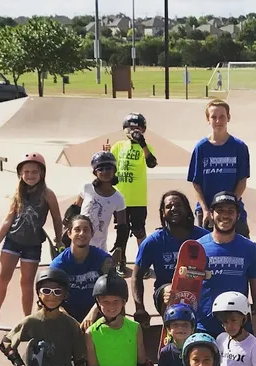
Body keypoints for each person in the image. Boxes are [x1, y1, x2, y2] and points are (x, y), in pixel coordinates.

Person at [0, 152, 63, 326]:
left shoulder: (48, 194)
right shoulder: (18, 193)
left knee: (26, 282)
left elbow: (56, 217)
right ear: (20, 174)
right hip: (12, 241)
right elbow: (8, 219)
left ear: (42, 174)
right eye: (26, 172)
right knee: (2, 277)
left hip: (32, 245)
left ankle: (27, 319)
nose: (30, 176)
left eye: (34, 172)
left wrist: (59, 239)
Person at [0, 268, 87, 366]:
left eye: (57, 292)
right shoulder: (31, 322)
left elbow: (80, 360)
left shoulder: (71, 324)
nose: (51, 296)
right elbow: (6, 342)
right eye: (46, 290)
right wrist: (18, 365)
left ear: (65, 295)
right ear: (38, 293)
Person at [197, 192, 256, 351]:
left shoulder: (250, 248)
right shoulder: (198, 248)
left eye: (230, 211)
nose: (225, 215)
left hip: (239, 329)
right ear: (211, 214)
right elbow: (185, 287)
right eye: (220, 210)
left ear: (238, 215)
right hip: (204, 328)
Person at [132, 190, 206, 327]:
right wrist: (140, 308)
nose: (174, 209)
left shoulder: (203, 238)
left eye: (178, 205)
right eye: (168, 206)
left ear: (186, 208)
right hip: (166, 293)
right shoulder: (153, 242)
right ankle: (173, 333)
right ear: (162, 212)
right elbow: (136, 276)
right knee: (172, 290)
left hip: (199, 289)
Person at [188, 100, 250, 237]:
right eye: (213, 117)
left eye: (222, 116)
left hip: (232, 210)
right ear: (208, 119)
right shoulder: (201, 148)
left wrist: (230, 207)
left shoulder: (239, 147)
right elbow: (196, 182)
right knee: (206, 252)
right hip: (208, 211)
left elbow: (242, 181)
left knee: (242, 249)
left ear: (228, 117)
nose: (218, 121)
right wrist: (205, 209)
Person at [110, 113, 158, 276]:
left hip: (138, 198)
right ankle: (120, 261)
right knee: (121, 231)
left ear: (143, 130)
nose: (133, 131)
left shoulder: (147, 147)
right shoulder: (118, 146)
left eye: (137, 128)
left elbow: (151, 163)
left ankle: (143, 262)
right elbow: (111, 168)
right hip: (120, 198)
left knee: (139, 231)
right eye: (130, 128)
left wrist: (142, 143)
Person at [51, 214, 114, 330]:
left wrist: (94, 311)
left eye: (86, 230)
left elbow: (112, 290)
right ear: (69, 233)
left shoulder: (103, 260)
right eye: (77, 229)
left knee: (117, 299)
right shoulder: (58, 264)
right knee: (42, 305)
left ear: (92, 234)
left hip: (97, 309)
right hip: (67, 312)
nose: (82, 233)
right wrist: (69, 321)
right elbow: (52, 298)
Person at [62, 152, 127, 256]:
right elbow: (75, 210)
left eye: (108, 168)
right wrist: (63, 231)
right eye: (100, 169)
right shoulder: (87, 188)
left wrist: (119, 248)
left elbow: (122, 226)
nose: (105, 171)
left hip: (98, 248)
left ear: (114, 170)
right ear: (95, 172)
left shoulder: (118, 198)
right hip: (77, 243)